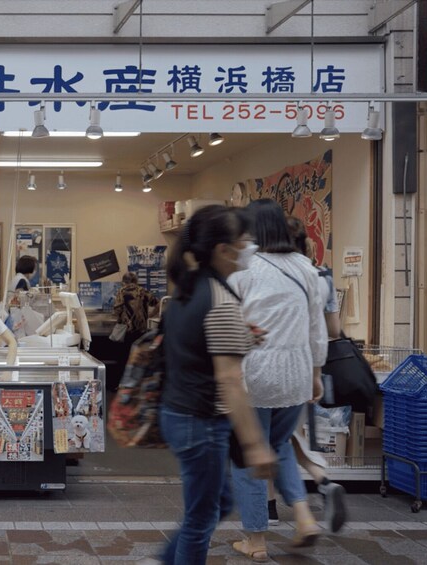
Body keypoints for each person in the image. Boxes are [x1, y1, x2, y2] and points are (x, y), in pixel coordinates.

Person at [160, 205, 274, 564]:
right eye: (245, 240)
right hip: (201, 421)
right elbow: (229, 379)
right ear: (224, 249)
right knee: (202, 517)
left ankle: (162, 559)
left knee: (218, 502)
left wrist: (241, 338)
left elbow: (192, 346)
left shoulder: (187, 288)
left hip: (178, 411)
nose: (250, 246)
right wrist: (255, 445)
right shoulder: (220, 300)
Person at [228, 199, 329, 560]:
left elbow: (230, 321)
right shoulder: (306, 268)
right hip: (297, 371)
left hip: (254, 370)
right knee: (281, 444)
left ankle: (255, 540)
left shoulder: (243, 269)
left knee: (247, 451)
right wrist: (316, 374)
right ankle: (303, 517)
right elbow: (317, 329)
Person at [261, 216, 346, 533]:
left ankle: (271, 509)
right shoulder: (321, 275)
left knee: (272, 440)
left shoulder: (264, 272)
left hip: (270, 368)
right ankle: (323, 482)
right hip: (307, 368)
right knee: (288, 438)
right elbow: (332, 329)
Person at [109, 272, 160, 390]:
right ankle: (135, 386)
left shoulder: (122, 291)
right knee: (137, 359)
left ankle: (121, 385)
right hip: (141, 331)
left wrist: (118, 317)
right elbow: (157, 304)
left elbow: (117, 310)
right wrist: (150, 315)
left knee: (123, 358)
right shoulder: (143, 291)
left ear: (124, 281)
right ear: (135, 281)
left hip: (127, 330)